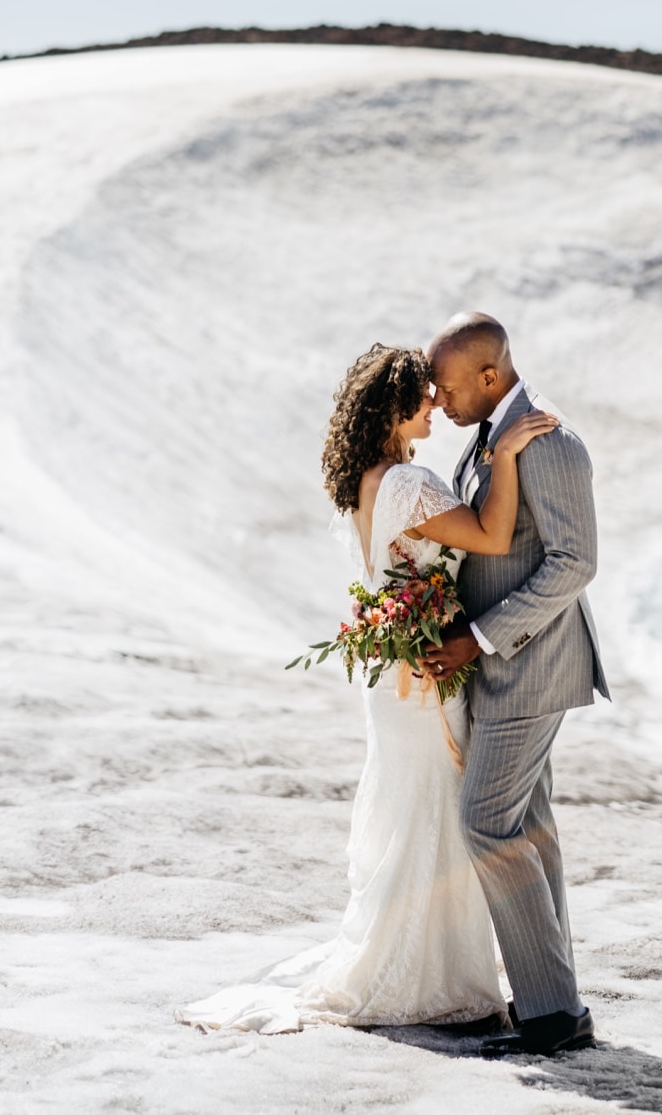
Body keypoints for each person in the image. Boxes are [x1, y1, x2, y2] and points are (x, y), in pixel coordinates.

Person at [178, 342, 557, 1034]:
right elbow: (495, 536)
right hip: (422, 679)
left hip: (393, 676)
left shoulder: (365, 481)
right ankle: (427, 972)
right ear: (395, 406)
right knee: (433, 807)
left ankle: (434, 960)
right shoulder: (408, 486)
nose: (437, 407)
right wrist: (503, 457)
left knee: (414, 806)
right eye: (425, 398)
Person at [421, 311, 609, 1058]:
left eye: (447, 383)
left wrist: (479, 636)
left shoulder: (551, 442)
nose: (438, 399)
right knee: (526, 825)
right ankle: (552, 1002)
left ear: (490, 377)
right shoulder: (494, 440)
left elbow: (574, 562)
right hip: (505, 667)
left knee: (487, 821)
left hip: (532, 665)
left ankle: (551, 1013)